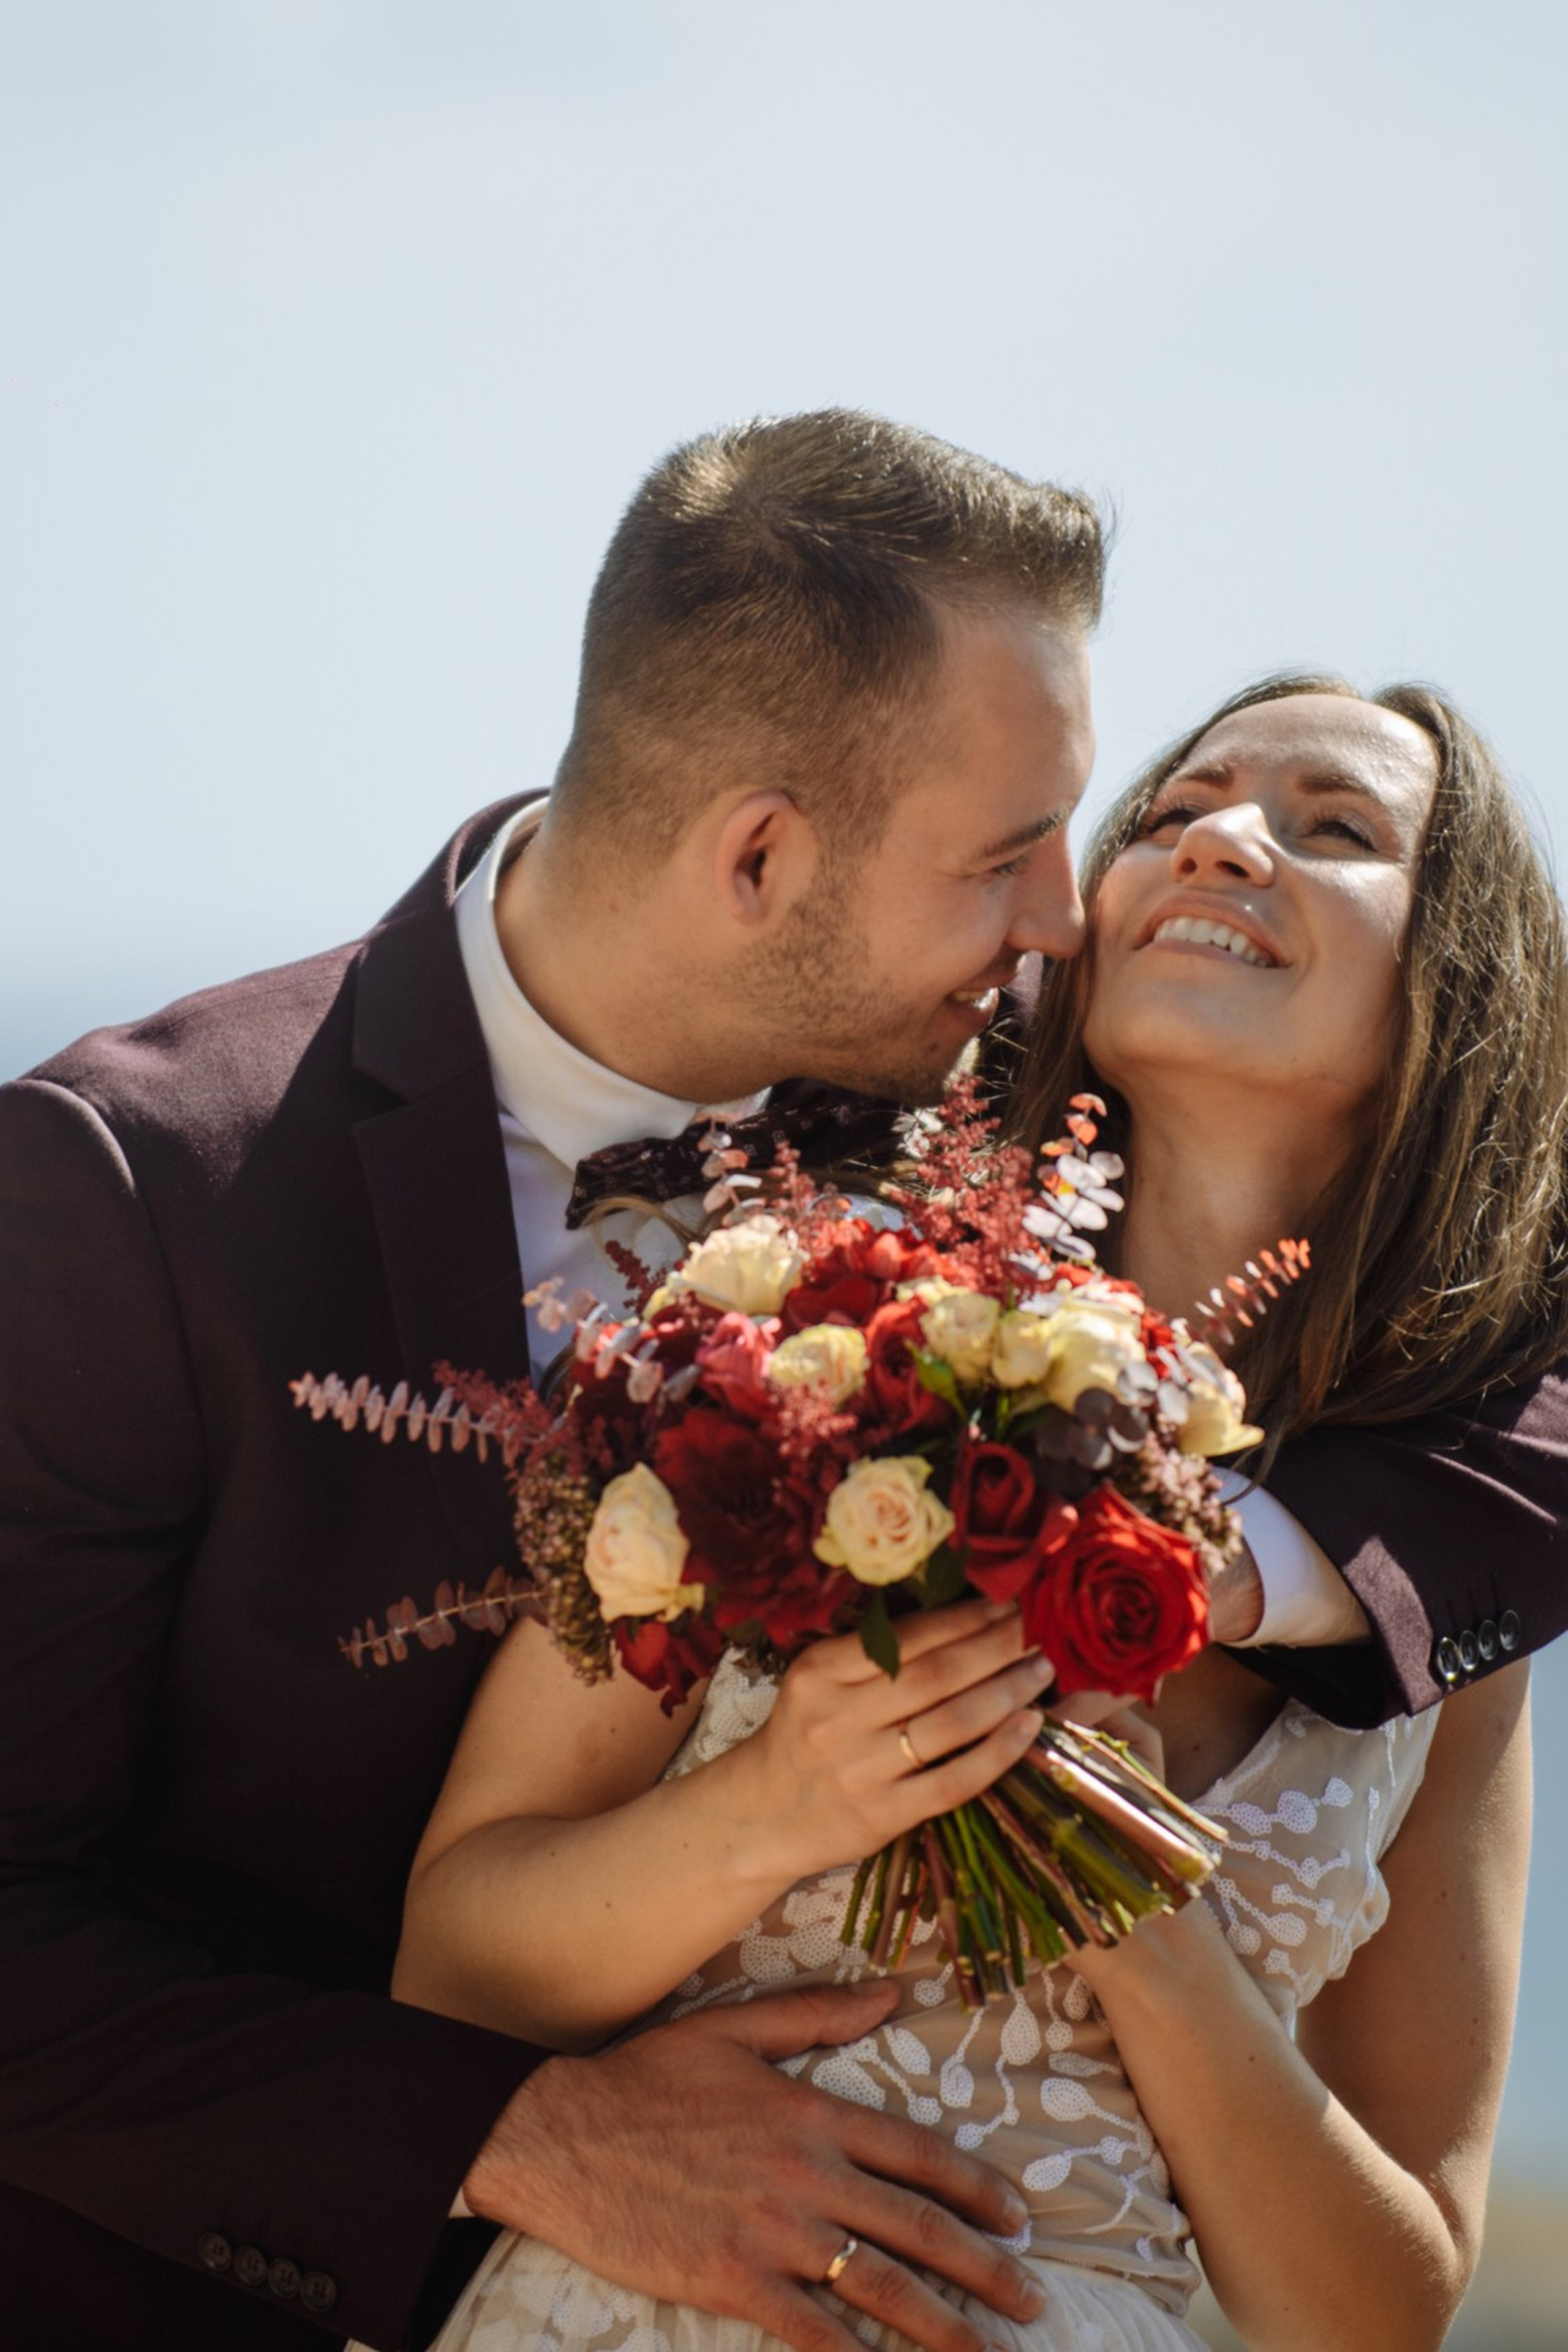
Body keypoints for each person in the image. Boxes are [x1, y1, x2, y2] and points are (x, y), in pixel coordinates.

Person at [0, 409, 1561, 2352]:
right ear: (759, 856)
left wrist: (1207, 1623)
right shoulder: (134, 1194)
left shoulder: (939, 1195)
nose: (1066, 914)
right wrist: (523, 2136)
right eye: (1022, 851)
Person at [382, 675, 1558, 2352]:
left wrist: (1147, 1931)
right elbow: (450, 1966)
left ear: (1463, 1001)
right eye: (1174, 812)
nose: (1223, 841)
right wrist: (791, 1799)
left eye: (1338, 830)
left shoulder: (1440, 1598)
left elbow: (1376, 2313)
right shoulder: (798, 1350)